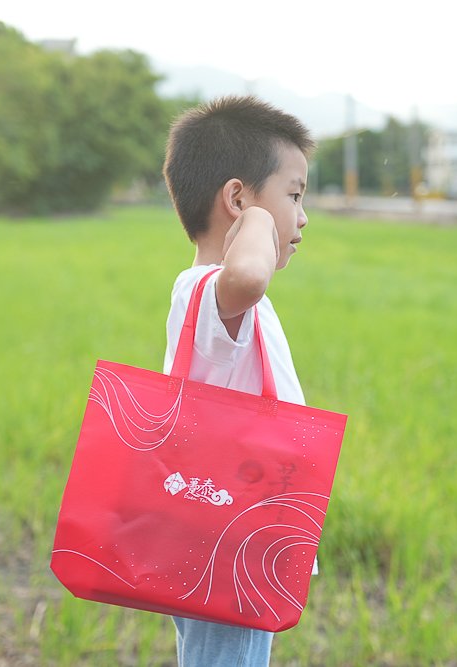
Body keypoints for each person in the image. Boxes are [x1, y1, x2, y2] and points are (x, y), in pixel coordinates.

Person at [161, 95, 315, 667]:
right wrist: (258, 222)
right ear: (236, 199)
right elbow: (249, 275)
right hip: (224, 541)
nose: (303, 217)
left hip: (232, 529)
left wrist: (260, 214)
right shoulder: (208, 290)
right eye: (294, 196)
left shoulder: (216, 299)